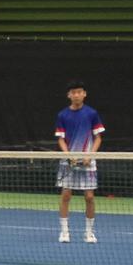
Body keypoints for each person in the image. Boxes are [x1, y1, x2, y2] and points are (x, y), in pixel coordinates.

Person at [55, 80, 104, 243]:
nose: (76, 95)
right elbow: (60, 140)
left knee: (89, 197)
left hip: (88, 160)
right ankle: (64, 232)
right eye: (73, 92)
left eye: (79, 92)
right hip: (68, 161)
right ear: (69, 95)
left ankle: (89, 233)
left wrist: (90, 155)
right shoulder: (62, 115)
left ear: (84, 94)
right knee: (66, 195)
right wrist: (69, 155)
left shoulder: (92, 113)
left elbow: (98, 138)